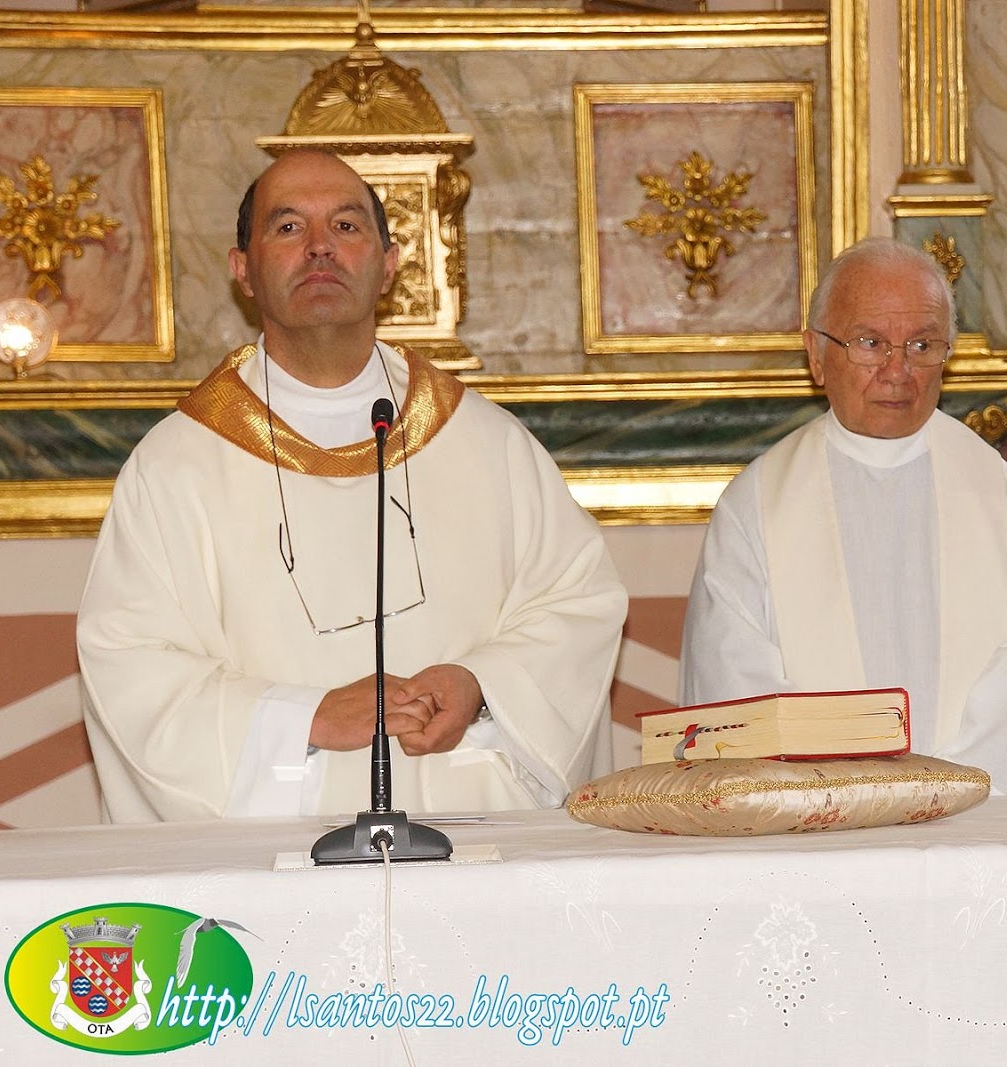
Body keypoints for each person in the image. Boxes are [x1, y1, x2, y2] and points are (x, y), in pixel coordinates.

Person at [77, 149, 627, 822]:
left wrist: (480, 685)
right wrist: (304, 717)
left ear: (389, 264)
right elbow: (131, 665)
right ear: (242, 269)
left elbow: (577, 602)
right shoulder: (176, 465)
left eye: (345, 226)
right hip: (276, 848)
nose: (319, 247)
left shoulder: (485, 441)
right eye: (288, 227)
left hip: (476, 832)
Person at [679, 237, 1007, 794]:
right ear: (816, 354)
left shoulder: (1004, 497)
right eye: (870, 343)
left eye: (922, 345)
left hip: (980, 818)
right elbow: (732, 680)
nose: (898, 371)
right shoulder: (755, 505)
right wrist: (845, 796)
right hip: (819, 822)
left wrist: (955, 790)